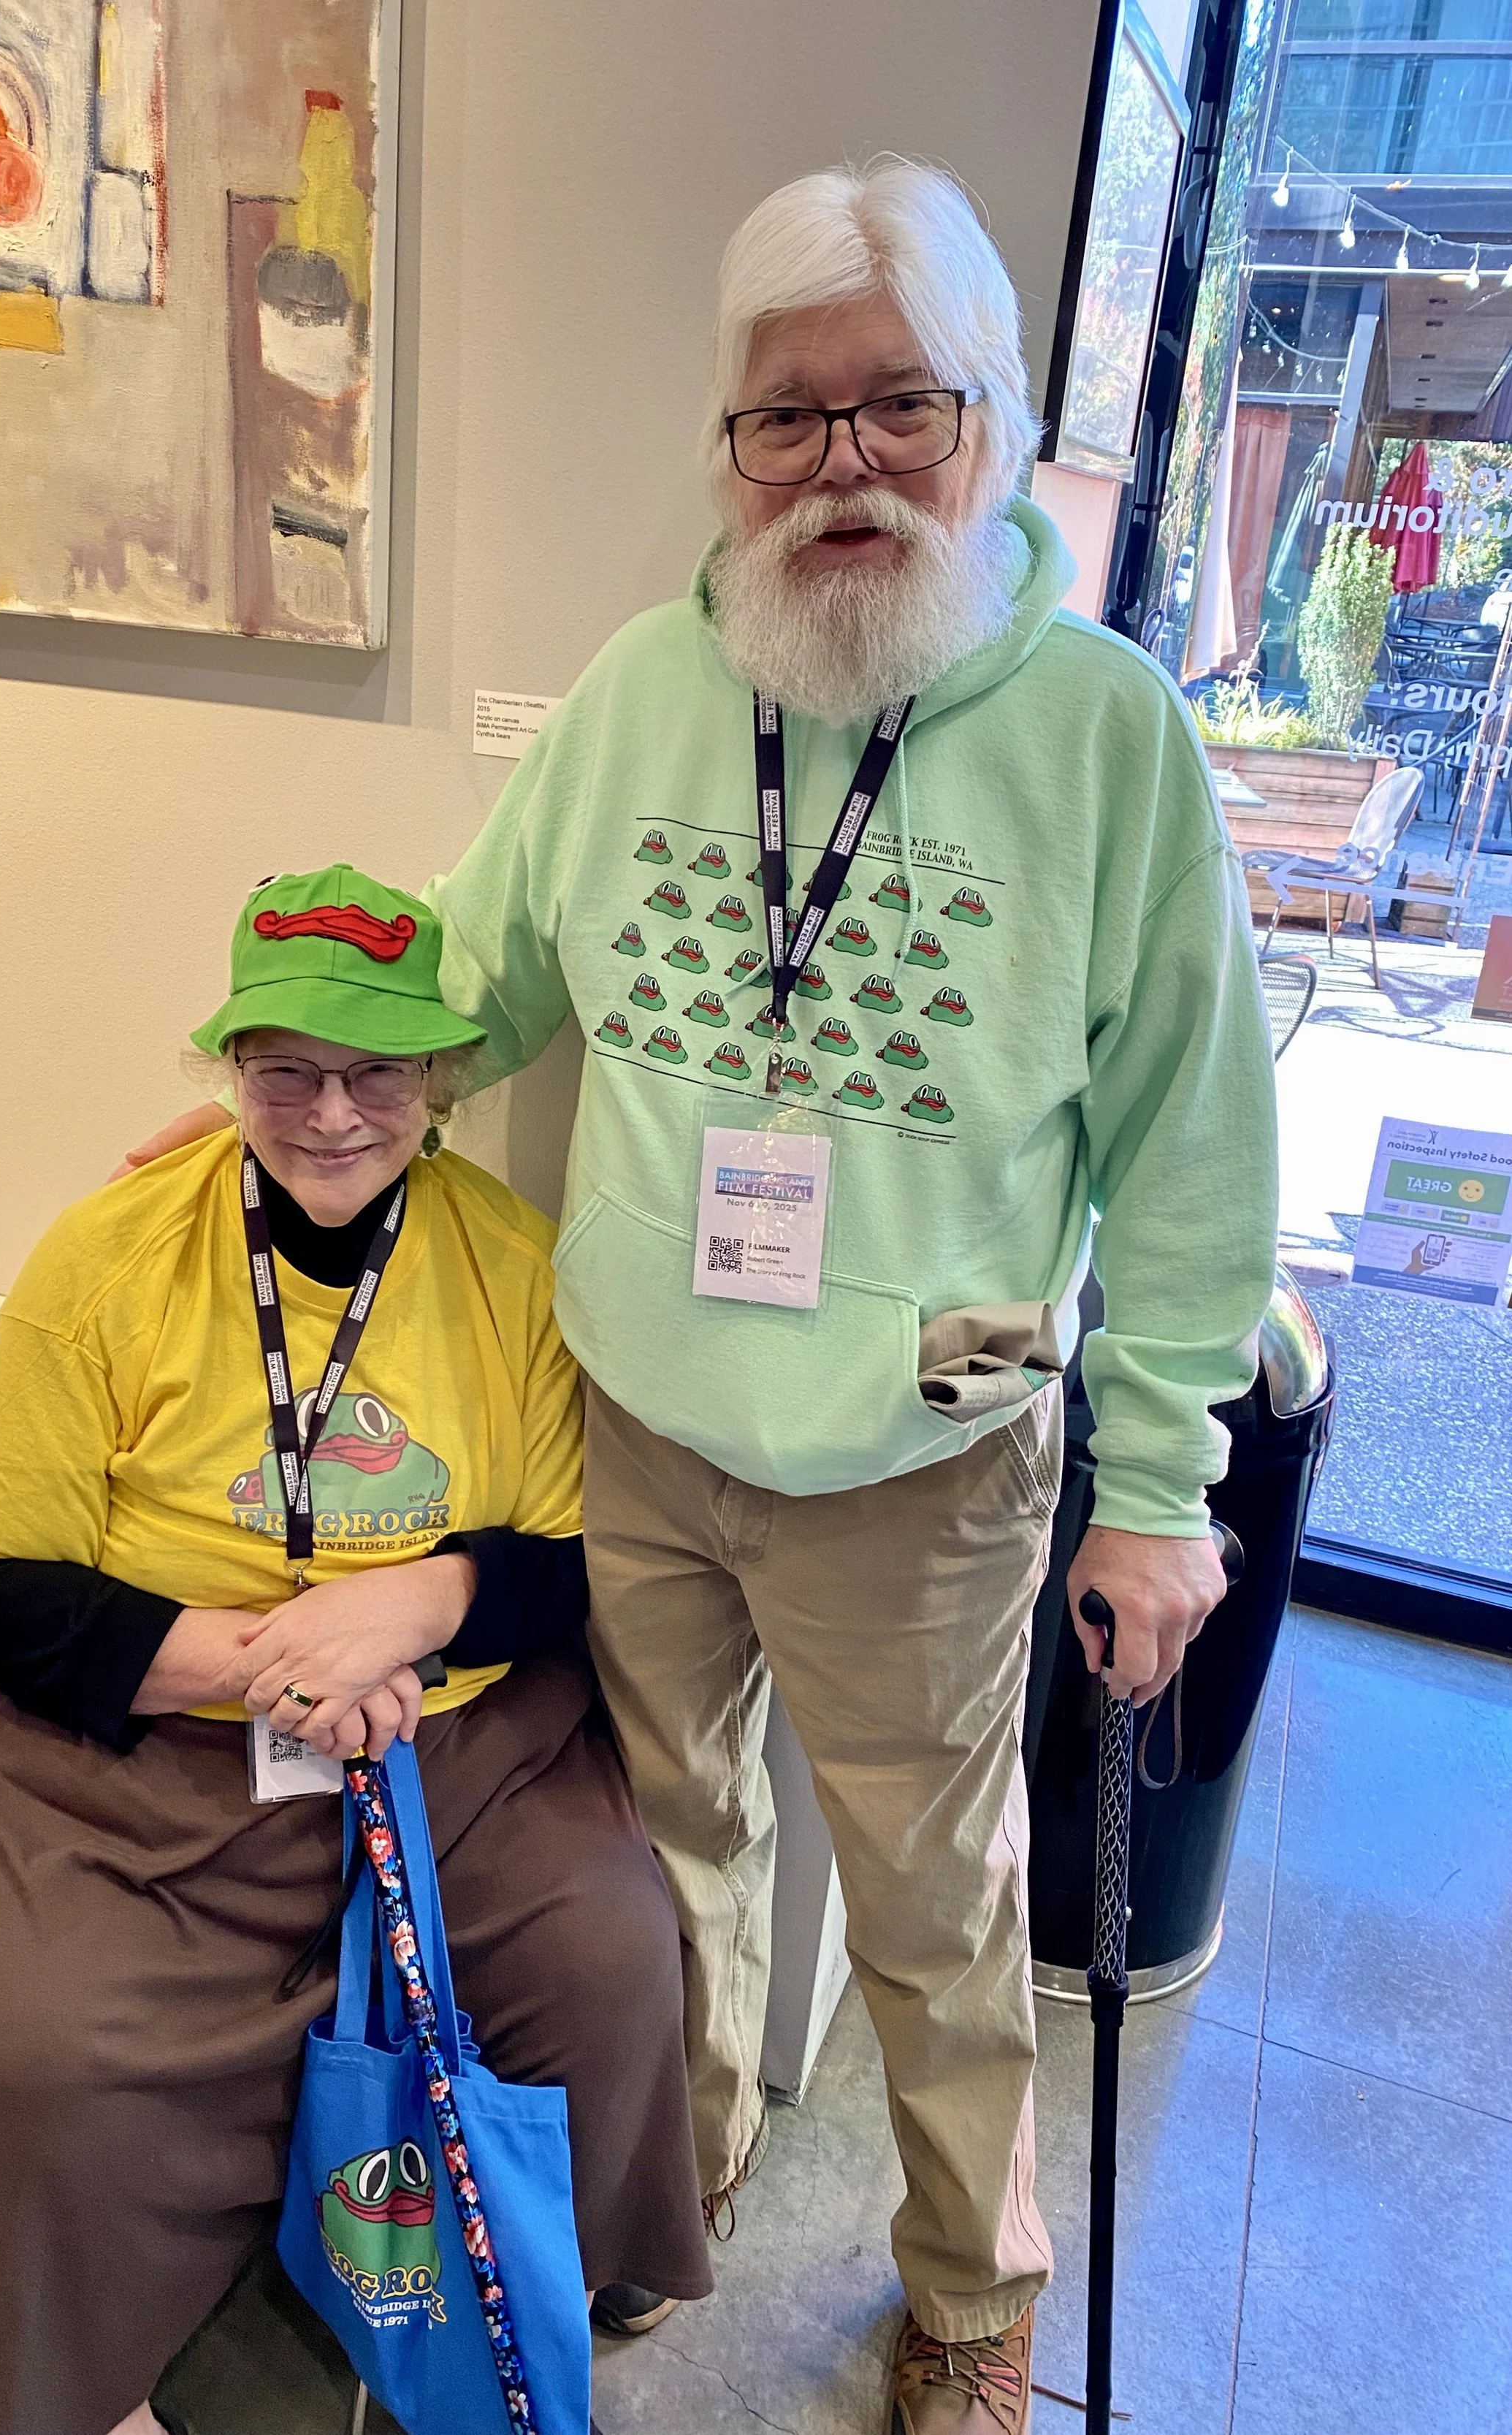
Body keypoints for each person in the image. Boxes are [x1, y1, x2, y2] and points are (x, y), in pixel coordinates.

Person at [123, 162, 1279, 2435]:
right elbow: (475, 967)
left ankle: (969, 2289)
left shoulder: (1106, 736)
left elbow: (1189, 1152)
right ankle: (683, 2180)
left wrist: (1155, 1486)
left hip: (919, 1468)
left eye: (894, 411)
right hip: (637, 1426)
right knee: (674, 1863)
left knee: (939, 1920)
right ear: (726, 446)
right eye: (785, 420)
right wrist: (302, 1092)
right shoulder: (656, 688)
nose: (838, 465)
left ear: (989, 423)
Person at [0, 864, 711, 2435]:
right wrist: (266, 1660)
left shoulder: (517, 1268)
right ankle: (73, 2375)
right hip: (140, 1736)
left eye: (376, 1072)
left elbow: (577, 1561)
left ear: (440, 1080)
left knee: (605, 1961)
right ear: (228, 1071)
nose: (330, 1114)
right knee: (26, 2038)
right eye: (284, 1073)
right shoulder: (105, 1256)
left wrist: (421, 1607)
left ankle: (525, 2282)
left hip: (445, 1739)